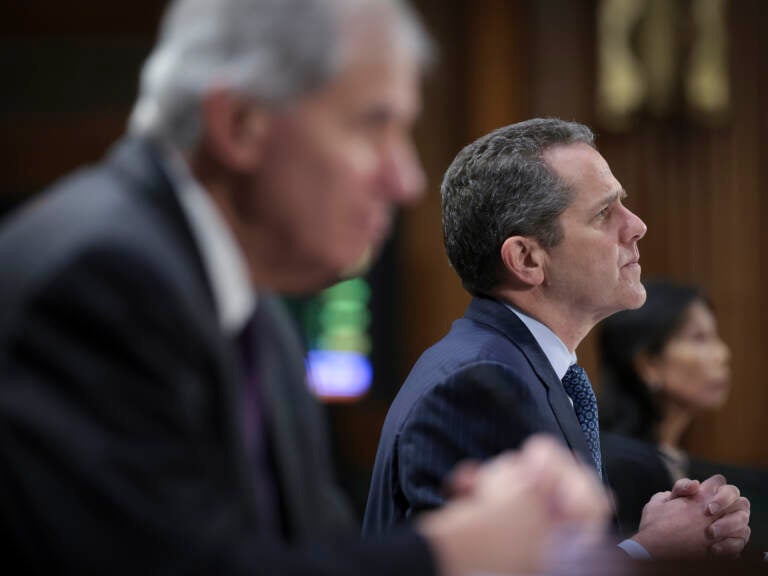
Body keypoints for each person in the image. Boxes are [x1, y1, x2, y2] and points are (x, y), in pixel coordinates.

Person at [0, 1, 619, 574]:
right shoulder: (103, 280)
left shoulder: (253, 309)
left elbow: (301, 548)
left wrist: (490, 519)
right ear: (240, 123)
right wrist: (454, 552)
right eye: (374, 126)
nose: (404, 180)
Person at [363, 118, 751, 558]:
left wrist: (660, 533)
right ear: (527, 259)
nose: (637, 224)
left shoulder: (519, 368)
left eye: (623, 204)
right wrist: (648, 551)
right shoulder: (477, 387)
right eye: (605, 213)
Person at [599, 279, 768, 551]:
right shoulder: (612, 467)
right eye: (699, 338)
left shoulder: (717, 473)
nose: (723, 354)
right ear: (648, 364)